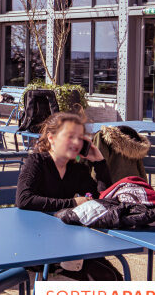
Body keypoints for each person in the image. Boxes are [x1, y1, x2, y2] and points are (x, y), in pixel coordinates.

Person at [15, 112, 122, 280]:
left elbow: (104, 199)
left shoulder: (76, 170)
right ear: (51, 138)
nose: (76, 143)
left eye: (80, 138)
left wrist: (99, 162)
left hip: (66, 241)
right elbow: (24, 200)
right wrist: (73, 202)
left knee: (113, 278)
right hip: (35, 242)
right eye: (70, 137)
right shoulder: (37, 162)